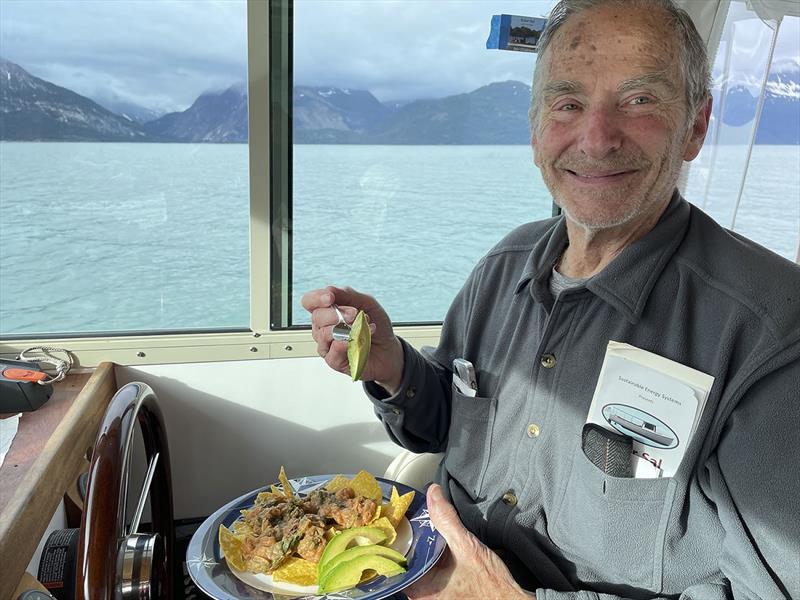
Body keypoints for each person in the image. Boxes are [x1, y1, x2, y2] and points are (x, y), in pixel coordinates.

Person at [302, 0, 800, 598]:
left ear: (695, 125)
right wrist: (393, 367)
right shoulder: (502, 268)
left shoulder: (772, 332)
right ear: (537, 131)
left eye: (639, 101)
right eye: (568, 104)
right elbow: (451, 423)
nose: (596, 138)